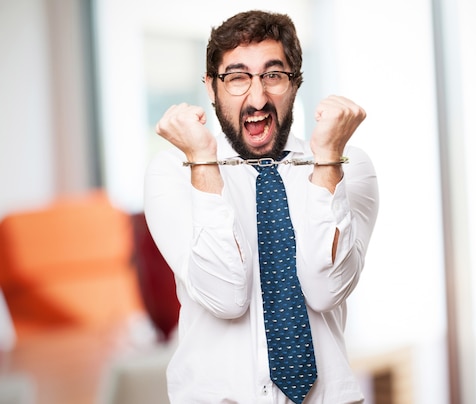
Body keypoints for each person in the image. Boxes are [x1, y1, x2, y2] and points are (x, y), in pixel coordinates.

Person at [144, 10, 379, 404]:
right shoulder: (174, 171)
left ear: (295, 83)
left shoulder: (347, 165)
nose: (257, 98)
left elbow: (325, 290)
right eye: (237, 77)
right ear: (210, 87)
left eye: (274, 75)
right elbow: (225, 295)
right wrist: (203, 160)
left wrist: (328, 162)